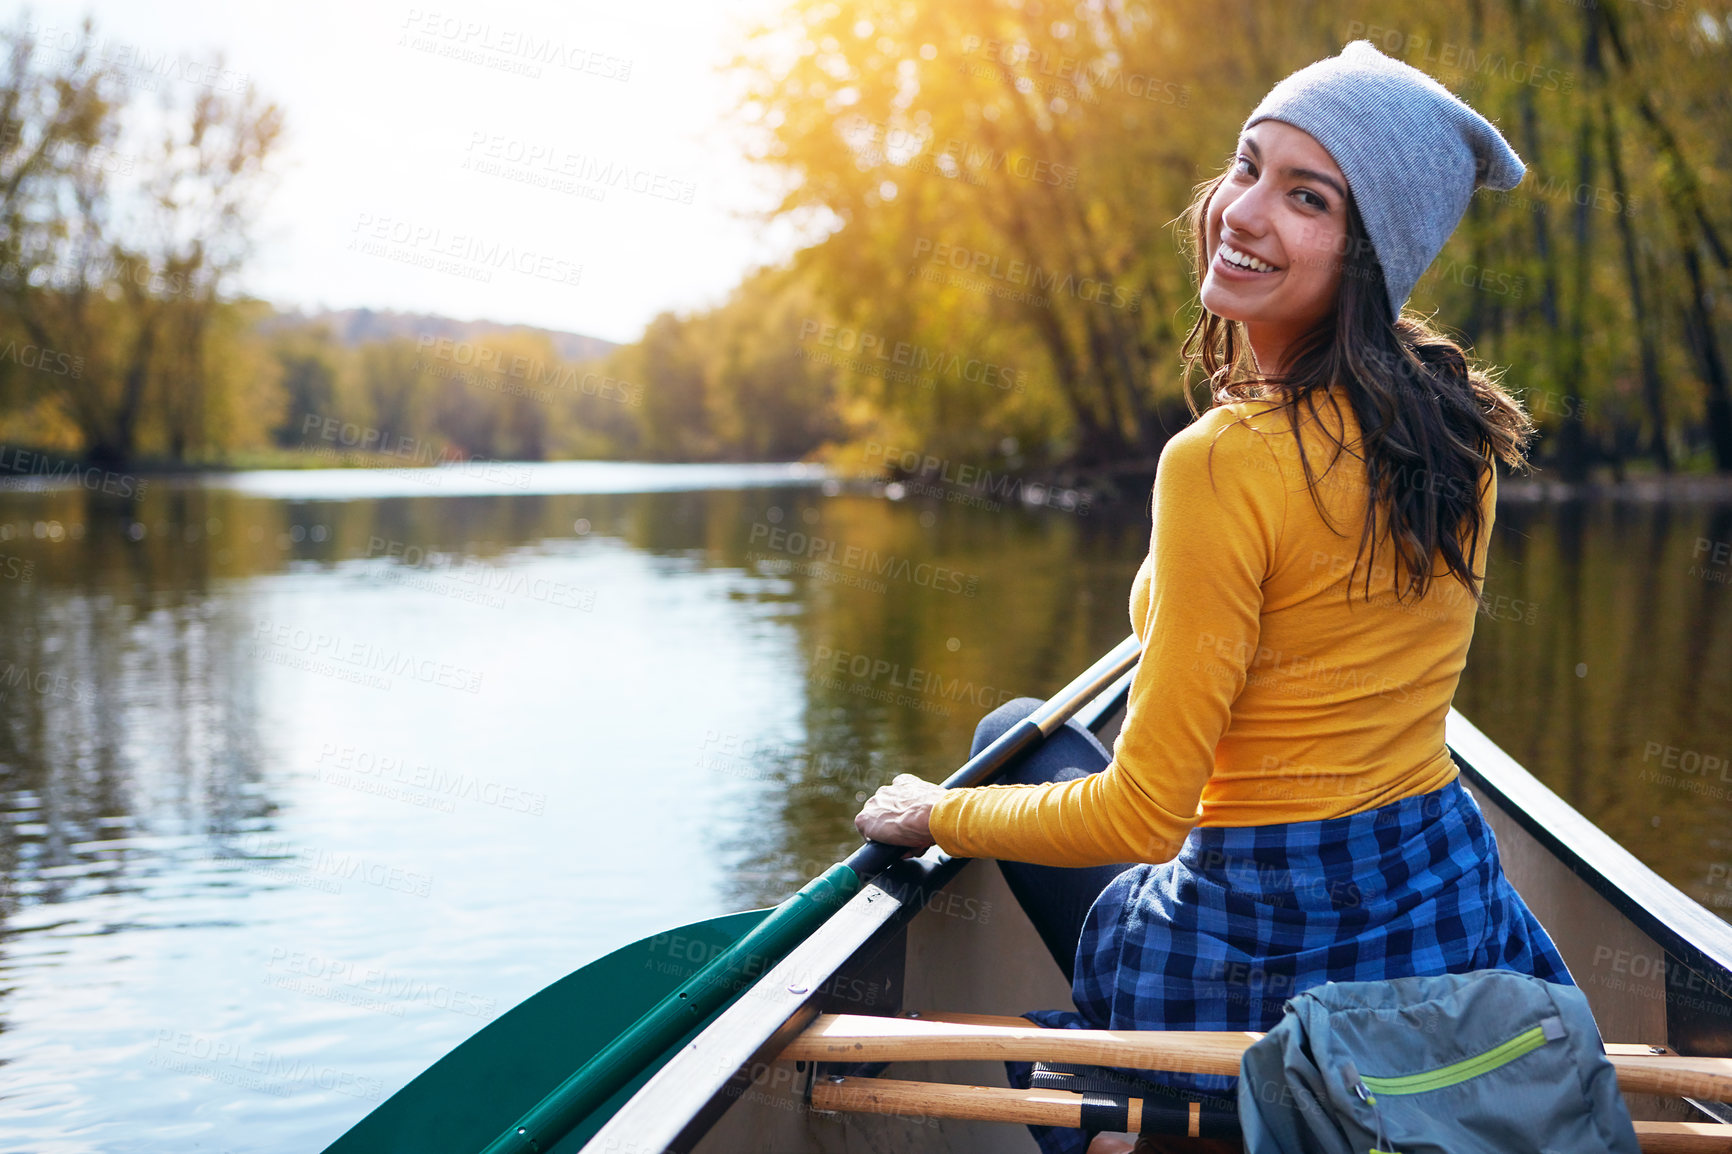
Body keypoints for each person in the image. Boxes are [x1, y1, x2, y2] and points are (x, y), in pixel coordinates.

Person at [853, 39, 1570, 1154]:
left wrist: (932, 812)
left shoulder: (1217, 462)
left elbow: (1144, 816)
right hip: (1435, 902)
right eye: (1246, 166)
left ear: (1367, 254)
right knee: (1017, 734)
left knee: (1004, 737)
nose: (1244, 210)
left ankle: (1152, 1126)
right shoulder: (1458, 428)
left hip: (1261, 933)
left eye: (1305, 196)